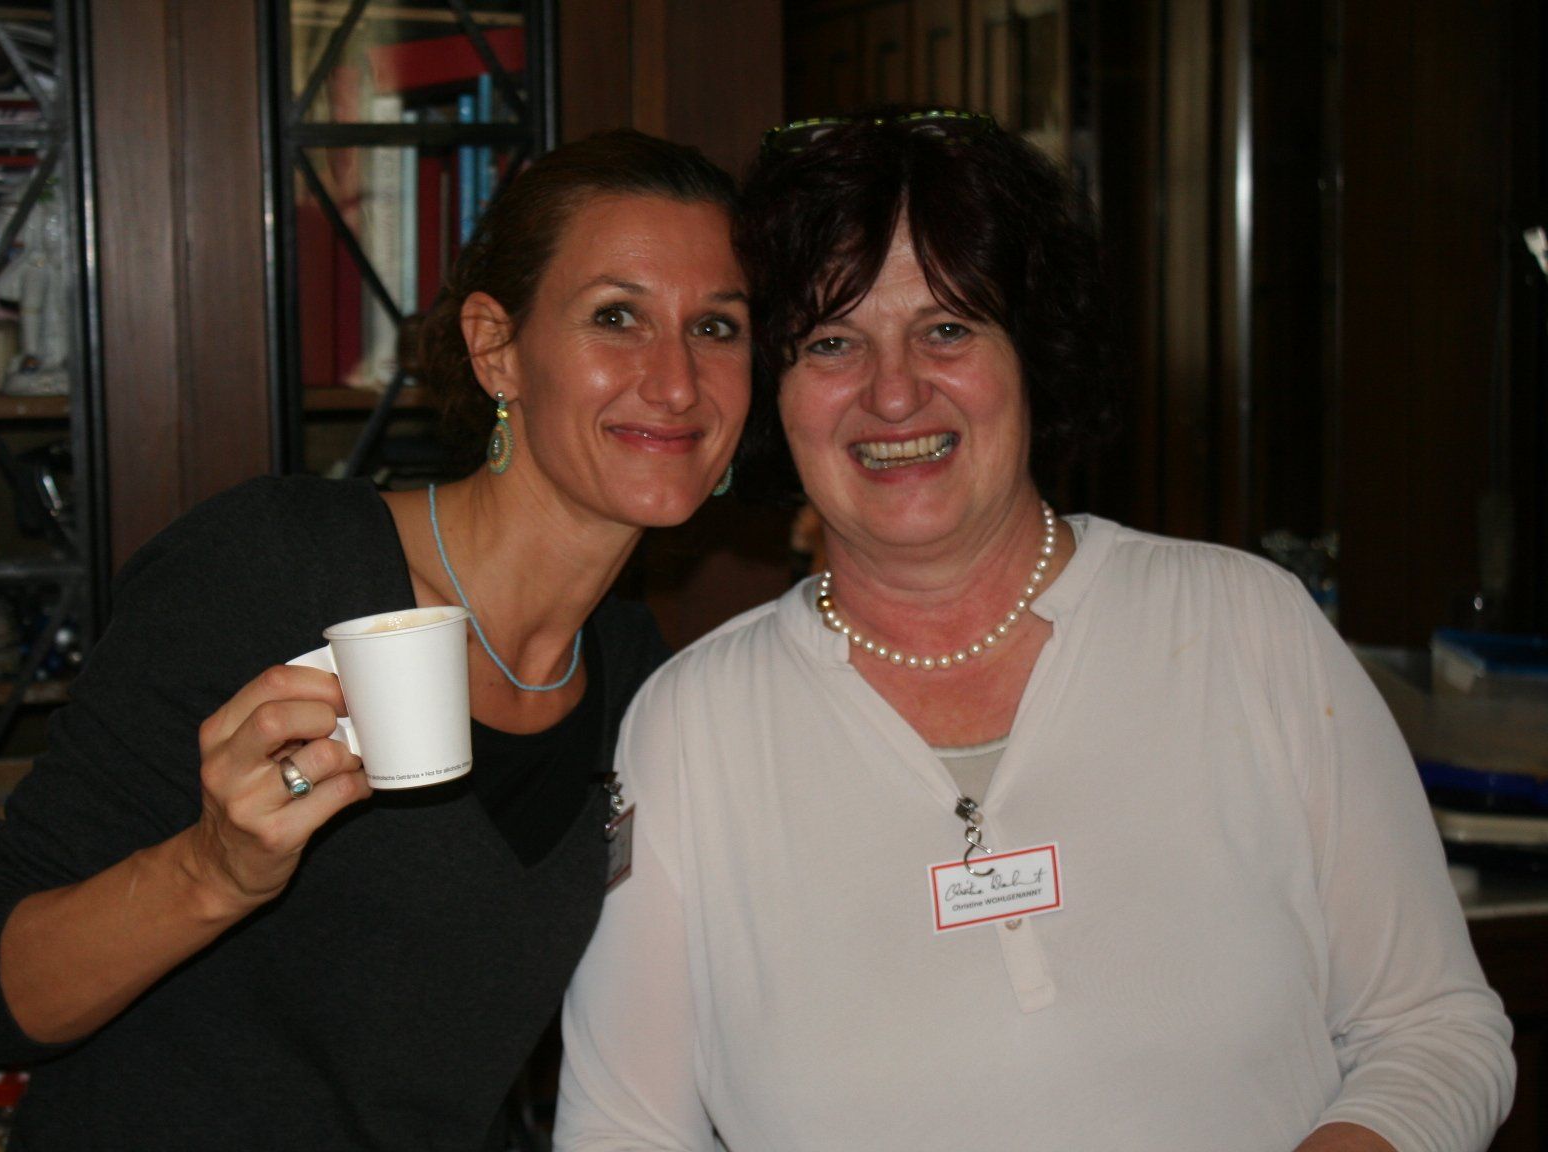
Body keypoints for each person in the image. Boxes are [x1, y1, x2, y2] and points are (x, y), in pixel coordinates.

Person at [554, 109, 1515, 1152]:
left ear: (1032, 356)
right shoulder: (691, 730)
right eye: (832, 342)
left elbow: (1435, 1031)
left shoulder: (1246, 628)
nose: (894, 392)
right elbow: (622, 1133)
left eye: (948, 328)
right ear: (770, 397)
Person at [0, 129, 750, 1150]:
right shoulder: (276, 568)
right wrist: (211, 871)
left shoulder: (638, 674)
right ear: (497, 348)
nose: (677, 381)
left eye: (717, 326)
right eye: (617, 316)